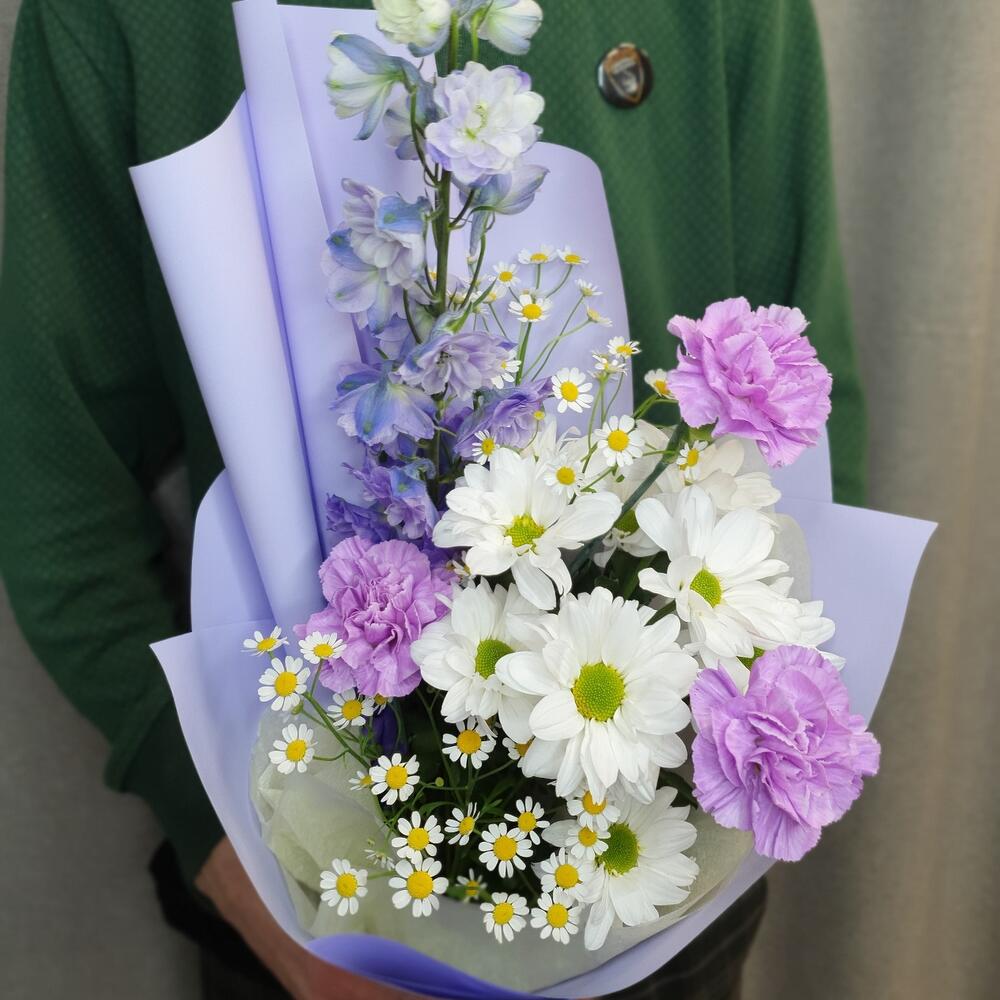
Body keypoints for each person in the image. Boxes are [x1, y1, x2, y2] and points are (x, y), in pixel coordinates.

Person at [0, 0, 865, 997]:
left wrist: (762, 753)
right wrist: (234, 864)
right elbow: (56, 489)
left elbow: (803, 404)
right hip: (302, 906)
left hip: (663, 884)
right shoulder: (128, 19)